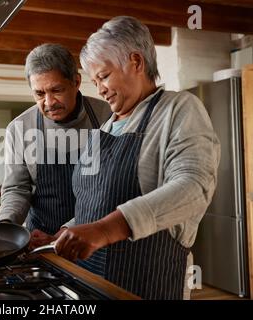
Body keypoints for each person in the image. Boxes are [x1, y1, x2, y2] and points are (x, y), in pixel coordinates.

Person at [35, 16, 221, 300]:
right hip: (88, 283)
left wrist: (106, 230)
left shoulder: (178, 109)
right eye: (95, 80)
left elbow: (194, 187)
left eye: (104, 76)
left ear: (135, 62)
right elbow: (94, 205)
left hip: (146, 283)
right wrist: (62, 233)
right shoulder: (106, 128)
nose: (99, 89)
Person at [0, 44, 112, 241]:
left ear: (76, 82)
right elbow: (17, 188)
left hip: (96, 237)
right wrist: (5, 225)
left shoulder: (107, 117)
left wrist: (72, 229)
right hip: (40, 239)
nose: (49, 102)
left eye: (56, 90)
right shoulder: (19, 129)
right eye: (39, 94)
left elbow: (111, 189)